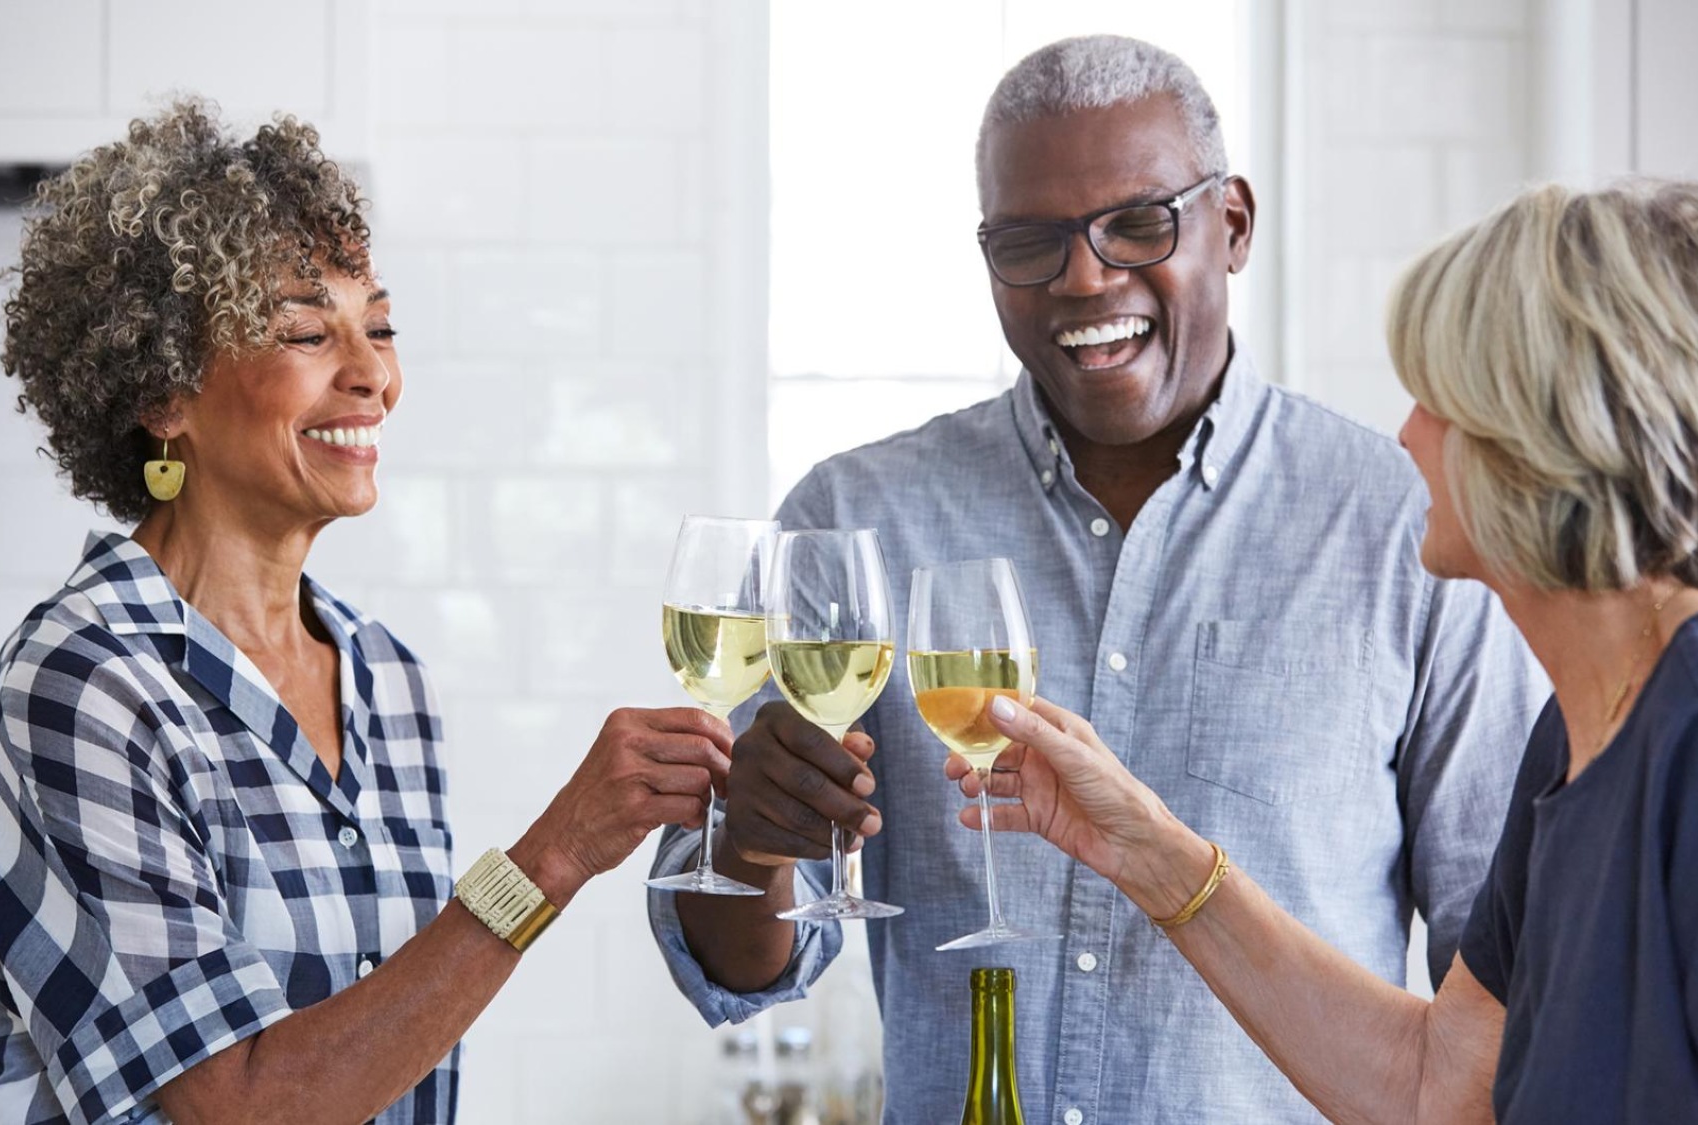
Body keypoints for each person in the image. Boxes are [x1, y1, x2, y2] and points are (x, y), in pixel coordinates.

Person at [647, 34, 1547, 1123]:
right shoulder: (857, 519)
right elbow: (744, 972)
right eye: (1030, 243)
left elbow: (1502, 996)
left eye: (1138, 224)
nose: (1085, 277)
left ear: (1235, 225)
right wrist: (751, 840)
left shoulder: (1408, 523)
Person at [0, 98, 731, 1124]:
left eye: (380, 325)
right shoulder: (87, 685)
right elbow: (242, 1103)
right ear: (162, 393)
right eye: (307, 332)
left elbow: (392, 1055)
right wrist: (556, 855)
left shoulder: (384, 677)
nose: (374, 377)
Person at [962, 177, 1698, 1122]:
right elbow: (1437, 1089)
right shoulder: (1575, 732)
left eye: (1440, 400)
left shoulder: (1690, 735)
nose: (1407, 433)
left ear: (1544, 431)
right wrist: (1147, 850)